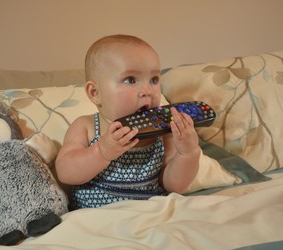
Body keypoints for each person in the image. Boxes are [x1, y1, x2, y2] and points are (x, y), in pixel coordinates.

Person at [55, 34, 201, 209]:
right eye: (130, 80)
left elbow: (174, 186)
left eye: (154, 79)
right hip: (95, 216)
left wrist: (188, 154)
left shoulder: (164, 132)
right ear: (95, 93)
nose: (147, 90)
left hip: (148, 215)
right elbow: (65, 173)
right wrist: (101, 151)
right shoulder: (85, 127)